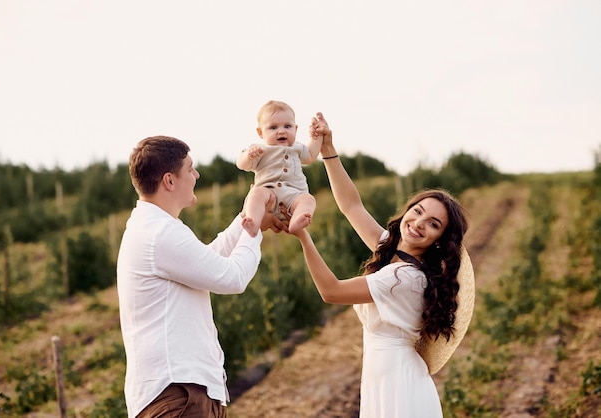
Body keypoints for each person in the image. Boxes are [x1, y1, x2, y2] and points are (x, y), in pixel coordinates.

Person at [290, 113, 474, 417]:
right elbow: (351, 206)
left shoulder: (401, 277)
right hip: (386, 373)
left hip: (397, 380)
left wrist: (303, 237)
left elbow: (331, 291)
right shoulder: (394, 253)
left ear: (439, 240)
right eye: (417, 211)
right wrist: (328, 151)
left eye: (433, 224)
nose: (418, 223)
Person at [116, 135, 286, 418]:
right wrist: (252, 226)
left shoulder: (155, 228)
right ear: (169, 181)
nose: (196, 175)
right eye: (191, 169)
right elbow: (232, 277)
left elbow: (209, 261)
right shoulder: (160, 233)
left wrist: (248, 215)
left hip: (182, 393)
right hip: (179, 397)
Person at [237, 100, 322, 236]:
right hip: (268, 193)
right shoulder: (260, 149)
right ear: (260, 132)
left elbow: (311, 155)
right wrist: (248, 156)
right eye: (273, 127)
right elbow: (241, 164)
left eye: (287, 126)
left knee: (308, 199)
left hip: (293, 195)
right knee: (256, 194)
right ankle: (253, 221)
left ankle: (297, 220)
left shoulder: (297, 148)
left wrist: (316, 137)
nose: (281, 131)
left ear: (296, 129)